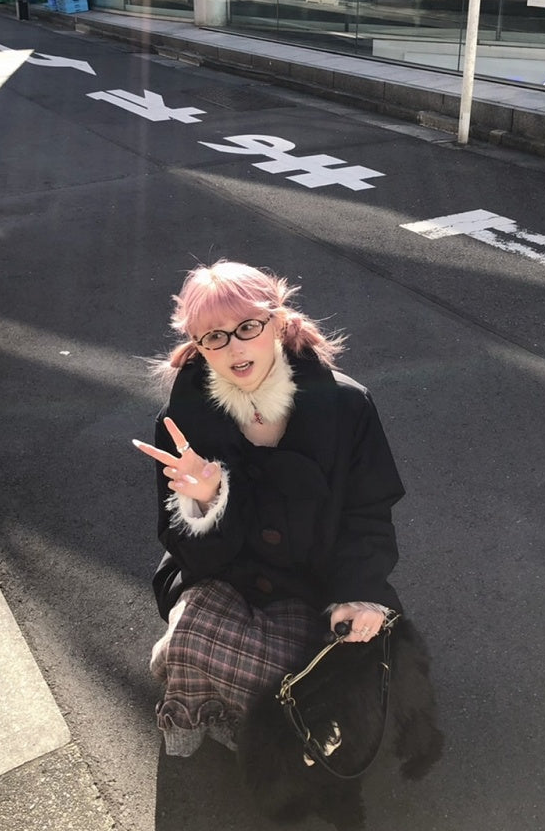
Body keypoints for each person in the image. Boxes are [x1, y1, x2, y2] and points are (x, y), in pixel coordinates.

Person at [133, 260, 405, 757]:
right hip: (226, 571)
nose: (234, 347)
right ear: (197, 346)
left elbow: (367, 512)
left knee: (303, 678)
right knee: (193, 638)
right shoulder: (182, 419)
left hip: (317, 575)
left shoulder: (346, 406)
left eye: (247, 328)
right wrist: (207, 502)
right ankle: (190, 671)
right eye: (213, 337)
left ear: (277, 323)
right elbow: (186, 549)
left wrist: (358, 592)